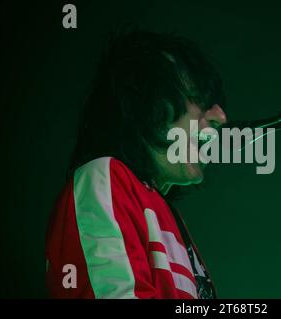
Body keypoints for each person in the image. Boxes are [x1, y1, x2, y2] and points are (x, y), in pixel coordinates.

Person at [45, 26, 227, 299]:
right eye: (199, 98)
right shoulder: (104, 177)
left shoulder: (164, 211)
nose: (220, 117)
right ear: (147, 105)